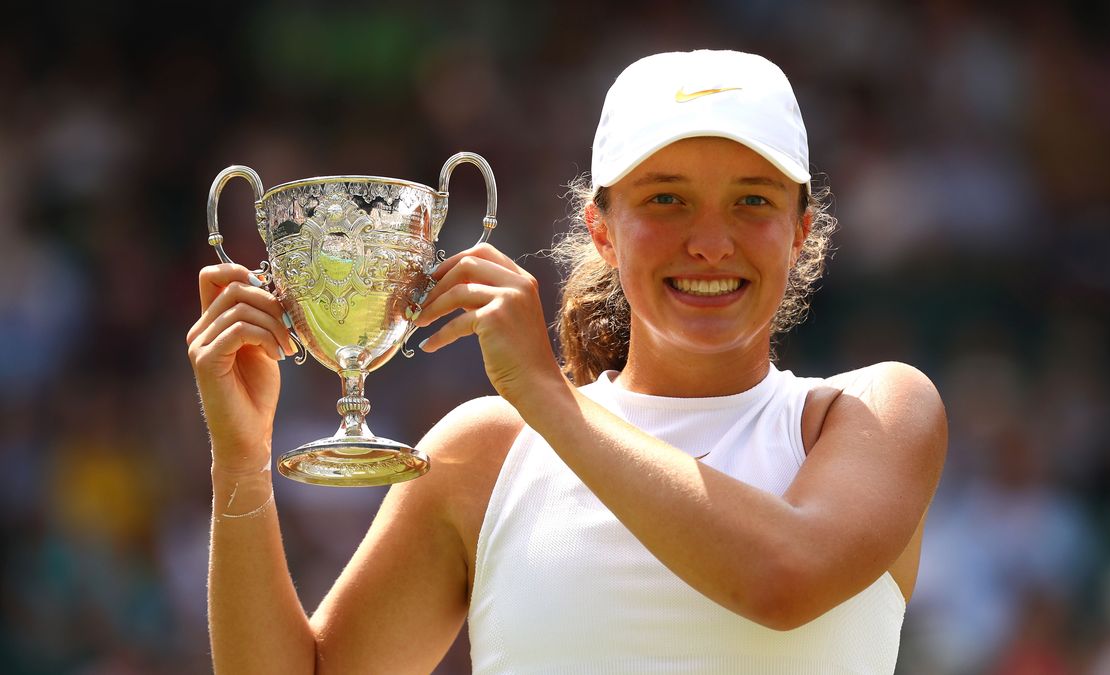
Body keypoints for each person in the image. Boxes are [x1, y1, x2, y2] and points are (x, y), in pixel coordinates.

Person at [188, 49, 947, 673]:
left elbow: (785, 579)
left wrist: (545, 395)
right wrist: (240, 459)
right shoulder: (485, 452)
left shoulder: (879, 410)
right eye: (666, 200)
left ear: (799, 231)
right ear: (604, 230)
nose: (711, 242)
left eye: (752, 201)